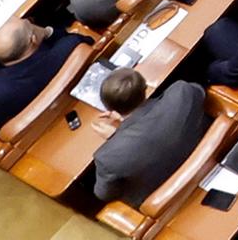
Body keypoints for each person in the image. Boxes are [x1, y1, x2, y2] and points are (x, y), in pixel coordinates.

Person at [84, 66, 208, 209]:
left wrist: (116, 136)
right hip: (208, 161)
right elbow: (199, 91)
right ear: (145, 87)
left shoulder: (107, 157)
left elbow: (104, 194)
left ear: (110, 109)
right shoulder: (181, 92)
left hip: (170, 201)